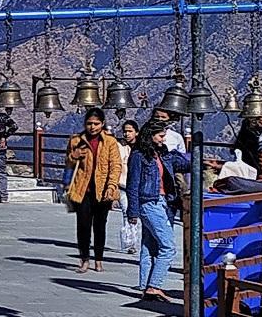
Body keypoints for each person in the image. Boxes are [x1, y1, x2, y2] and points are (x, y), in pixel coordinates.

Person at [126, 120, 188, 301]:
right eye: (160, 136)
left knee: (148, 245)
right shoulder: (138, 156)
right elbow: (133, 184)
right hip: (149, 202)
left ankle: (146, 286)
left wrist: (201, 158)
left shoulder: (162, 154)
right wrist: (133, 211)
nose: (163, 139)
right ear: (150, 136)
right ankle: (155, 285)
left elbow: (182, 163)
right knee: (168, 246)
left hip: (163, 201)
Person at [65, 107, 125, 272]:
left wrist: (111, 186)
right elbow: (69, 163)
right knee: (83, 225)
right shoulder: (76, 140)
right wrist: (74, 156)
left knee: (100, 225)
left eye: (96, 123)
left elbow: (116, 165)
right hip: (82, 189)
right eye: (89, 123)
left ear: (103, 124)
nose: (92, 127)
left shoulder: (110, 142)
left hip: (103, 189)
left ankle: (98, 259)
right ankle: (84, 259)